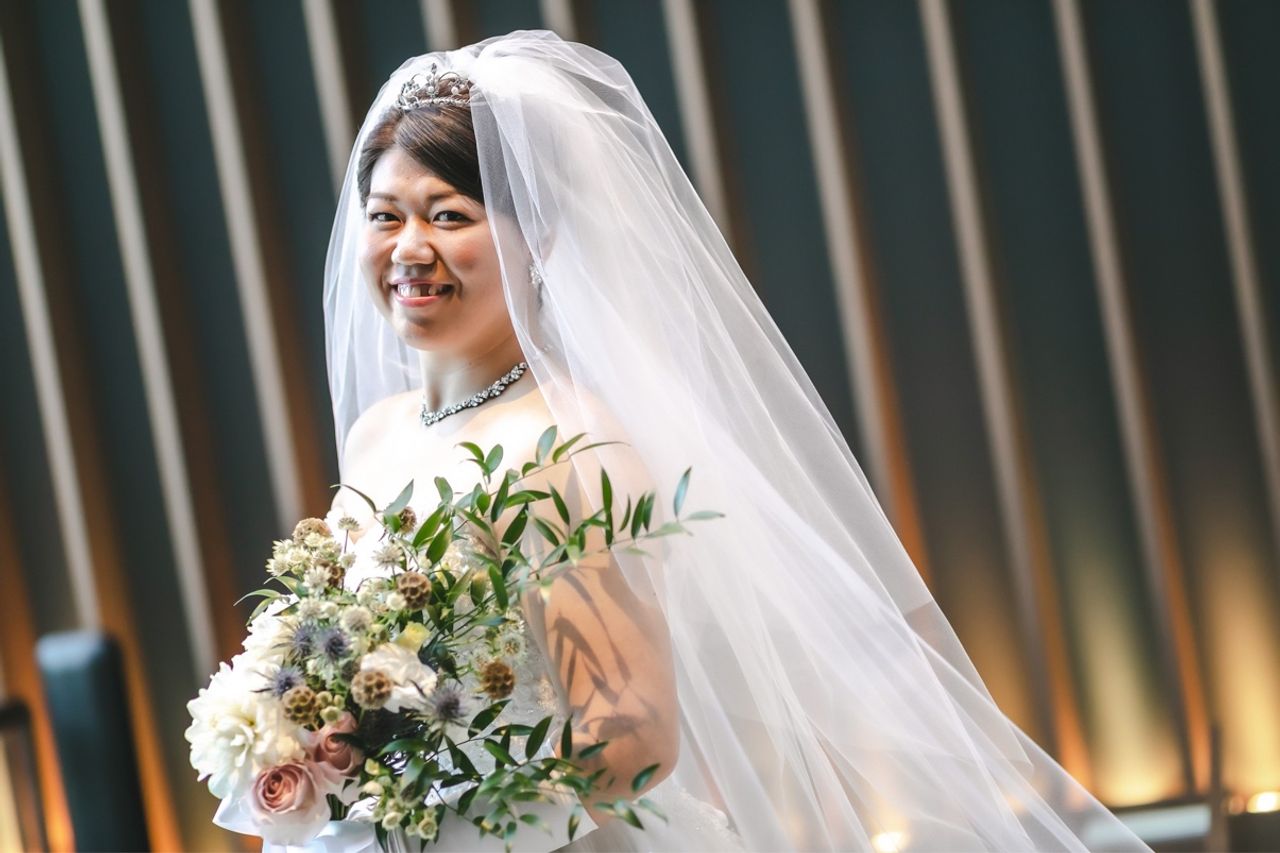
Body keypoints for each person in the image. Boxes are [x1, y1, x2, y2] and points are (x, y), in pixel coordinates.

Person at [310, 28, 1152, 852]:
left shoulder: (567, 446)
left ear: (539, 237)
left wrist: (433, 828)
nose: (408, 248)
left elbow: (631, 741)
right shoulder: (379, 432)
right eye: (385, 216)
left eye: (448, 215)